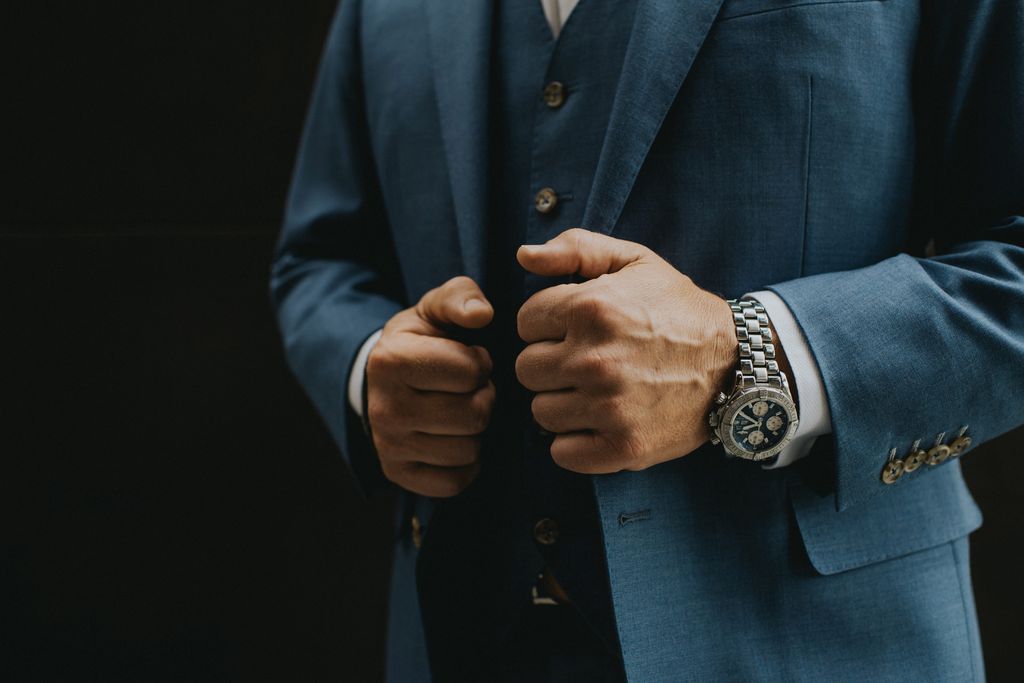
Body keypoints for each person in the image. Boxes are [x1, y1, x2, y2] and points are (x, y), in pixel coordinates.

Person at [271, 0, 1024, 680]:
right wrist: (368, 369)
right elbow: (321, 256)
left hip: (823, 643)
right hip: (455, 637)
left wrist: (748, 356)